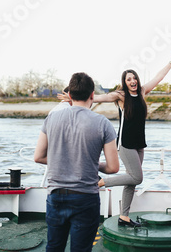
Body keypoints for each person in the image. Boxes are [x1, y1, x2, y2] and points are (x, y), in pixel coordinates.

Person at [62, 51, 171, 227]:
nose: (132, 81)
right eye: (128, 79)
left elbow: (158, 77)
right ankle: (101, 181)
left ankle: (123, 217)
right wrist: (75, 99)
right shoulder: (121, 96)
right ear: (124, 82)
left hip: (140, 143)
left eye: (134, 78)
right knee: (137, 178)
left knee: (131, 181)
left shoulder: (142, 92)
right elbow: (100, 98)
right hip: (125, 144)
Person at [34, 72, 119, 252]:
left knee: (54, 247)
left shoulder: (51, 119)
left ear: (69, 96)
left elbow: (38, 157)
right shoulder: (103, 123)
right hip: (86, 198)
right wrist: (87, 162)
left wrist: (64, 159)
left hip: (56, 195)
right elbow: (113, 167)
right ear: (92, 96)